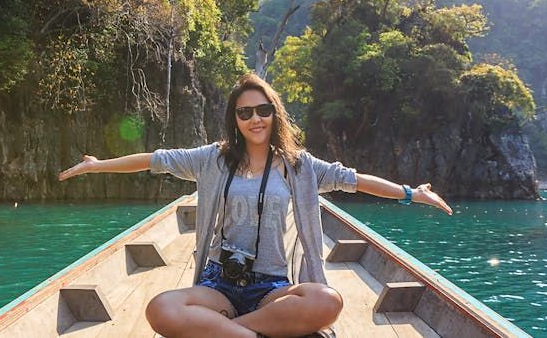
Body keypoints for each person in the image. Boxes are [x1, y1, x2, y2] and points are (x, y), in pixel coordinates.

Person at [58, 73, 452, 338]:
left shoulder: (300, 166)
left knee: (326, 300)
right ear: (235, 118)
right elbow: (152, 159)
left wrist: (411, 193)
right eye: (244, 112)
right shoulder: (211, 159)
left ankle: (226, 330)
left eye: (263, 110)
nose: (255, 119)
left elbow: (355, 179)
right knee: (160, 309)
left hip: (271, 286)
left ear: (274, 113)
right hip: (219, 283)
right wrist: (97, 166)